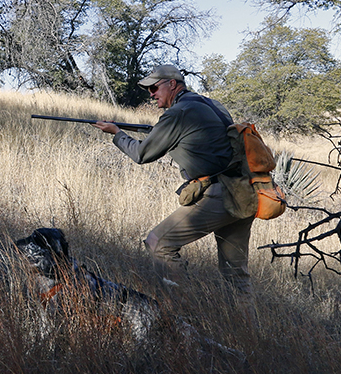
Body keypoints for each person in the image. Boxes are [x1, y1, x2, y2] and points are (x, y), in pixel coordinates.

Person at [92, 64, 255, 309]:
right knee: (236, 276)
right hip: (244, 192)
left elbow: (140, 154)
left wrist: (117, 133)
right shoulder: (210, 105)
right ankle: (249, 334)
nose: (151, 93)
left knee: (159, 243)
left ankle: (181, 313)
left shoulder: (178, 112)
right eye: (149, 89)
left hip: (218, 195)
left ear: (173, 84)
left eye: (155, 87)